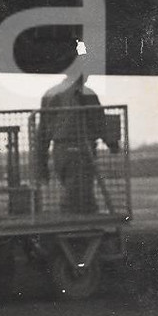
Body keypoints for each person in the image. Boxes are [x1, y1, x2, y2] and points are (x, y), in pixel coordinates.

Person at [36, 71, 119, 214]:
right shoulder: (86, 93)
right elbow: (99, 121)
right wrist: (112, 144)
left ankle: (82, 224)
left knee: (73, 189)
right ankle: (78, 227)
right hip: (82, 150)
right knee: (79, 194)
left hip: (60, 152)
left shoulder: (50, 93)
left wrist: (41, 166)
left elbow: (42, 131)